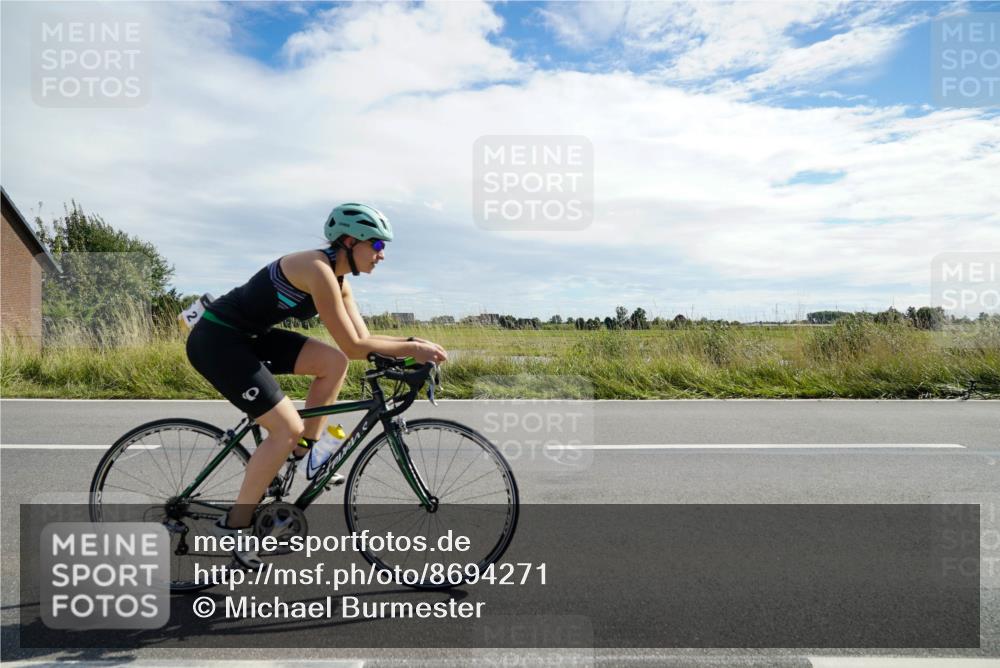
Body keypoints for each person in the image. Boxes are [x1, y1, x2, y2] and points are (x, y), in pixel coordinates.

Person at [186, 203, 447, 568]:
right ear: (349, 241)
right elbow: (356, 346)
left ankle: (303, 452)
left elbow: (362, 339)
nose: (382, 255)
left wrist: (409, 347)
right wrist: (411, 349)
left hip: (250, 337)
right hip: (218, 340)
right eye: (375, 245)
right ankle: (235, 524)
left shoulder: (340, 282)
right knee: (285, 429)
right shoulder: (317, 269)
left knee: (332, 363)